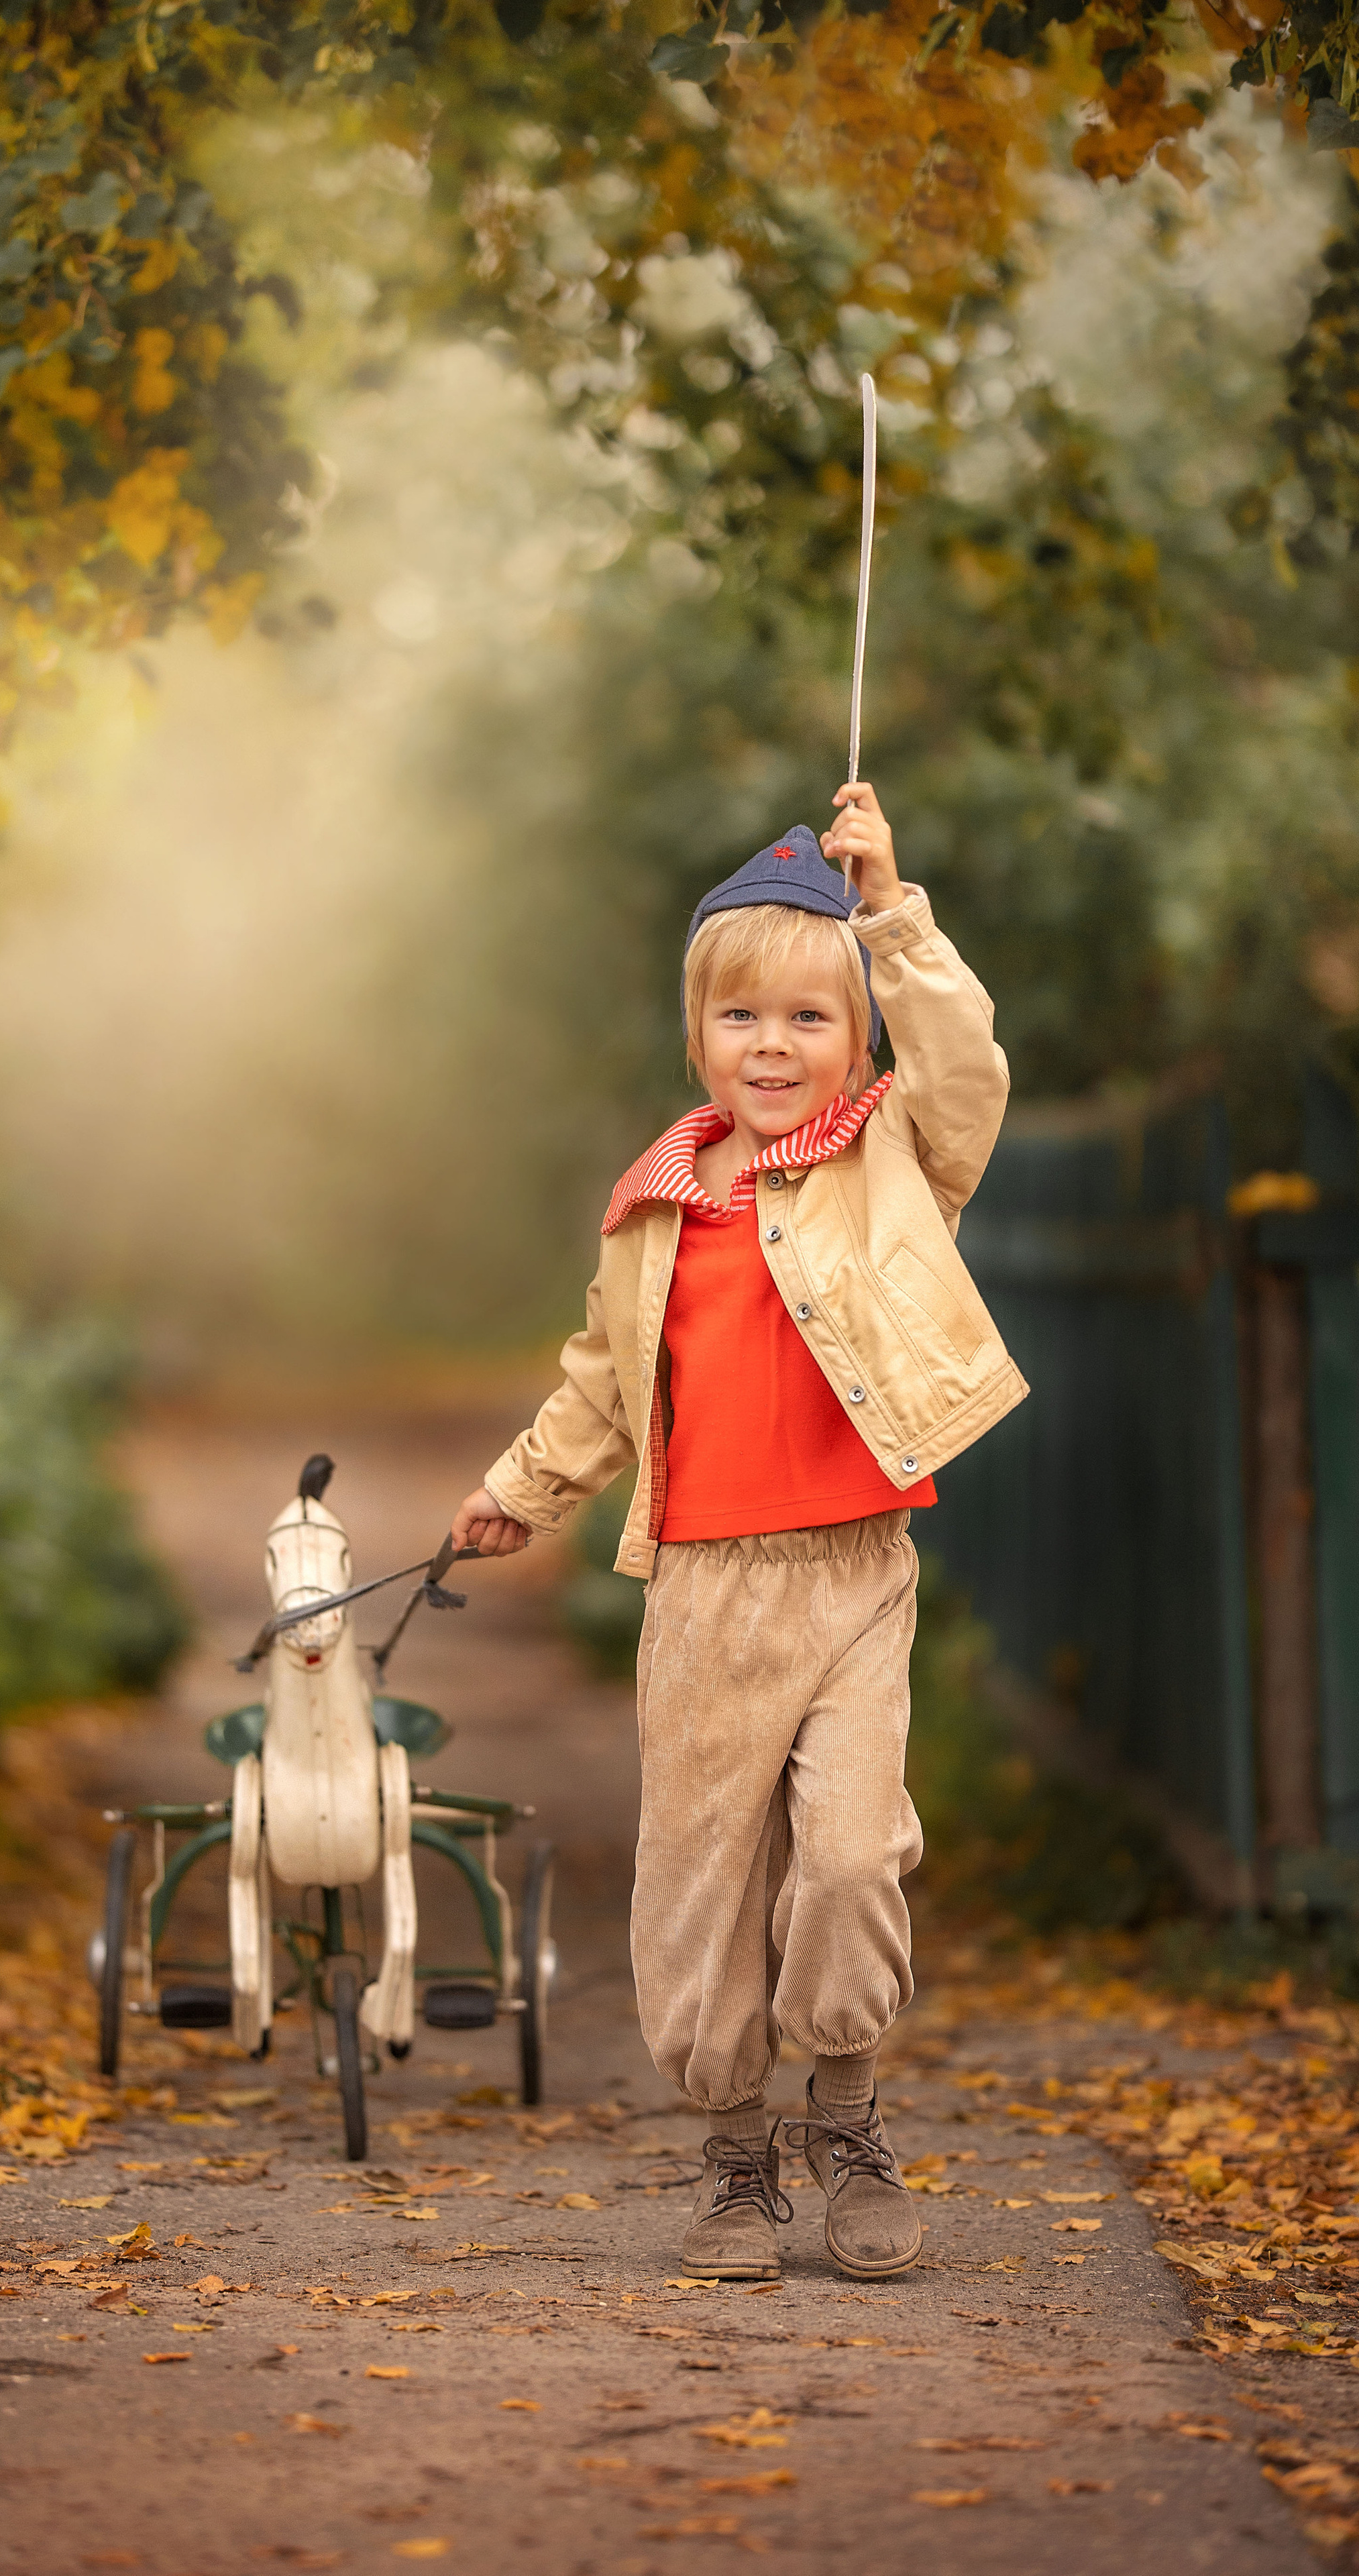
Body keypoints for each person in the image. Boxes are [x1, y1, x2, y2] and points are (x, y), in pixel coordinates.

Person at [449, 782, 1027, 2281]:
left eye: (808, 1022)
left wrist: (889, 908)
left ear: (857, 1044)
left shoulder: (895, 1157)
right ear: (697, 1035)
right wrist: (522, 1487)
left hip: (850, 1573)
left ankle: (846, 2111)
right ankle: (732, 2159)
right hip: (704, 1587)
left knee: (843, 1862)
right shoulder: (652, 1206)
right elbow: (602, 1378)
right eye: (741, 1019)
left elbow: (962, 1067)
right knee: (701, 1879)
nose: (772, 1048)